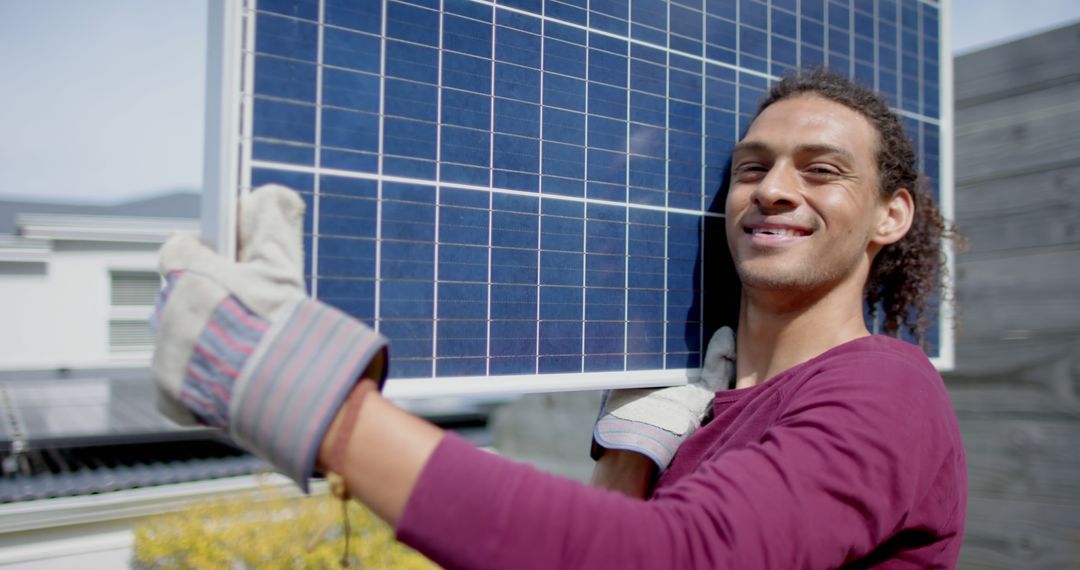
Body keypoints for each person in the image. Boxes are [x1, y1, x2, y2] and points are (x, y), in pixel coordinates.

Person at [150, 69, 966, 569]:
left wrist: (300, 393)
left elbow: (667, 561)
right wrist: (629, 466)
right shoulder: (709, 408)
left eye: (822, 171)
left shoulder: (887, 389)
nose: (775, 188)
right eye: (754, 168)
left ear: (891, 217)